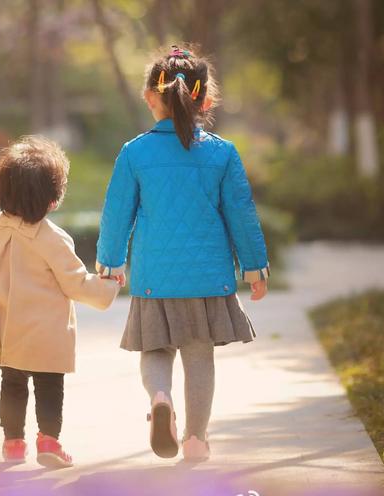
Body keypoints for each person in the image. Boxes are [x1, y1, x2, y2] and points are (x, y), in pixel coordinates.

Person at [96, 45, 269, 462]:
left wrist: (110, 263)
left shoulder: (134, 152)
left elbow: (117, 213)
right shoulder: (222, 153)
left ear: (149, 97)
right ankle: (195, 439)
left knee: (155, 351)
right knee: (198, 357)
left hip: (155, 275)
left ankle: (160, 398)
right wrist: (255, 267)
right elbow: (241, 213)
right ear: (204, 100)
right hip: (208, 277)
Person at [0, 136, 120, 468]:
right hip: (46, 332)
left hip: (8, 328)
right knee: (49, 387)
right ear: (52, 200)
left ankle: (13, 443)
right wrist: (109, 286)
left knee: (13, 385)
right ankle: (48, 441)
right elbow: (76, 284)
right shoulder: (52, 238)